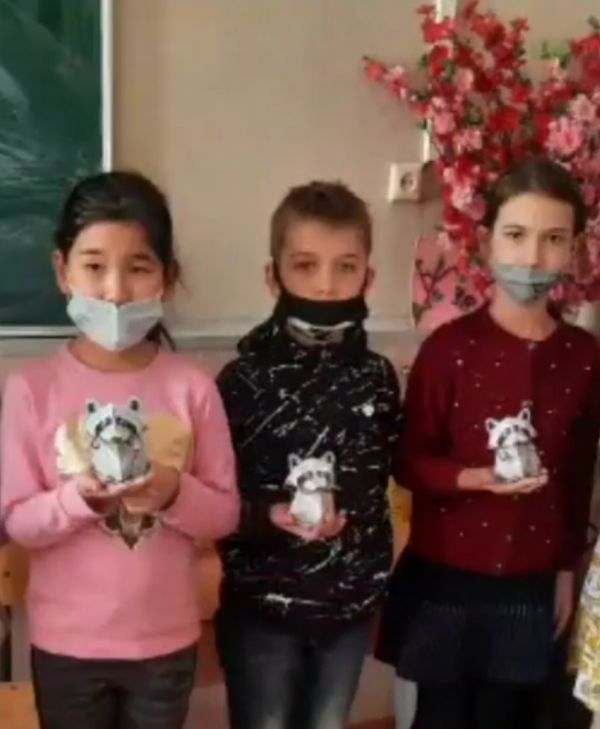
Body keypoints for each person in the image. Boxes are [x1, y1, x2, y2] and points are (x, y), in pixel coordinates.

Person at [0, 171, 240, 729]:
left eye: (138, 267)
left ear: (167, 278)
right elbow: (15, 521)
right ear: (62, 270)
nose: (114, 291)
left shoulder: (192, 388)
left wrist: (172, 492)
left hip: (164, 644)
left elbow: (224, 514)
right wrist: (78, 500)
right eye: (93, 266)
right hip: (67, 645)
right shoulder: (31, 390)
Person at [376, 157, 600, 729]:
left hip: (531, 583)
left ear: (574, 249)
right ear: (486, 242)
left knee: (513, 716)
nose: (532, 257)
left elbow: (577, 478)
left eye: (553, 239)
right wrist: (474, 478)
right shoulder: (449, 349)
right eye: (516, 235)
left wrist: (565, 571)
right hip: (447, 579)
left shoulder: (582, 357)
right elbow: (408, 462)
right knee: (441, 716)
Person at [215, 181, 402, 729]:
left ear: (368, 277)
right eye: (305, 265)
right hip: (262, 611)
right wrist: (266, 516)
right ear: (273, 276)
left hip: (348, 613)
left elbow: (384, 481)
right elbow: (217, 502)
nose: (325, 285)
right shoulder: (241, 382)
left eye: (345, 267)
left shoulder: (377, 378)